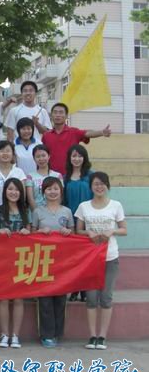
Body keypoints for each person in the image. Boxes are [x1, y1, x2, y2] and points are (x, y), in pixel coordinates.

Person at [76, 172, 127, 350]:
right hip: (90, 258)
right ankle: (92, 336)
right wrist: (88, 233)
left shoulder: (116, 205)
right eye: (95, 184)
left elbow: (124, 229)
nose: (99, 187)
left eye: (102, 183)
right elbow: (78, 231)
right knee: (91, 298)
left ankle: (102, 337)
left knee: (106, 298)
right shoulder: (84, 206)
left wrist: (111, 231)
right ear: (91, 187)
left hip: (110, 257)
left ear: (107, 186)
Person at [31, 177, 74, 348]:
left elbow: (74, 235)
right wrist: (41, 231)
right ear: (43, 192)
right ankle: (46, 334)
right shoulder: (37, 211)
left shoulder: (67, 212)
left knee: (61, 298)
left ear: (61, 191)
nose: (52, 192)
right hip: (43, 261)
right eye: (49, 189)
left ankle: (57, 332)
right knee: (45, 299)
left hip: (62, 261)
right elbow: (31, 235)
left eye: (56, 188)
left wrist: (68, 232)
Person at [0, 178, 31, 349]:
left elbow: (32, 234)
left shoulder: (26, 211)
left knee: (19, 298)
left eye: (16, 190)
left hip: (21, 260)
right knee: (4, 298)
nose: (13, 192)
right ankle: (4, 334)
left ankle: (15, 335)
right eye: (10, 189)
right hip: (2, 260)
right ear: (4, 191)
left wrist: (27, 232)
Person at [42, 102, 111, 175]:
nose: (58, 115)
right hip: (52, 175)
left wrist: (101, 132)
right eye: (55, 112)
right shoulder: (46, 135)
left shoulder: (74, 132)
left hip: (70, 176)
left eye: (61, 112)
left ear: (66, 116)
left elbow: (87, 133)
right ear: (51, 115)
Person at [64, 144, 94, 303]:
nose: (76, 159)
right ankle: (74, 289)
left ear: (84, 158)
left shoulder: (91, 176)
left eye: (79, 156)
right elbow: (63, 200)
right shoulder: (65, 177)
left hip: (88, 222)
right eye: (74, 156)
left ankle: (85, 290)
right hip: (71, 221)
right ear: (69, 158)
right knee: (73, 258)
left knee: (86, 257)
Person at [0, 141, 27, 207]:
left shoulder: (19, 172)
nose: (5, 153)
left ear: (13, 154)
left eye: (8, 151)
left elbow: (23, 194)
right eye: (2, 151)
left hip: (16, 208)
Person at [26, 144, 63, 210]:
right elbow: (30, 198)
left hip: (54, 212)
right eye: (38, 156)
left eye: (43, 155)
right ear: (34, 159)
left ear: (49, 156)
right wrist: (37, 213)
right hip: (36, 212)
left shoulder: (57, 176)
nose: (41, 159)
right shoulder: (30, 176)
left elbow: (60, 196)